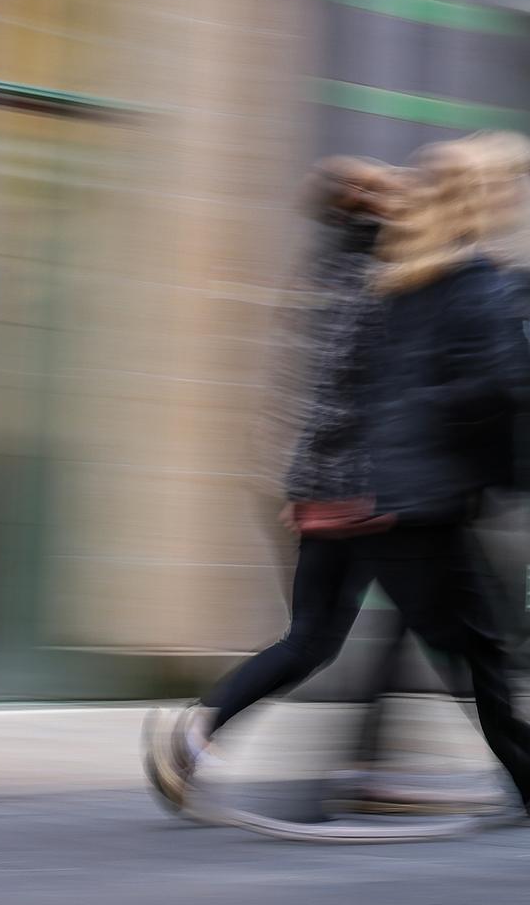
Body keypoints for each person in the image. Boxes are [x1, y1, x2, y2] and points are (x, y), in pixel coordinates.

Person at [151, 136, 530, 822]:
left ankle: (200, 735)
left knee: (316, 637)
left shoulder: (362, 271)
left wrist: (307, 482)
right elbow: (490, 386)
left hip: (338, 490)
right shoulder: (443, 277)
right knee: (478, 645)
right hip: (397, 497)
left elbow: (332, 388)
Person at [144, 158, 411, 815]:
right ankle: (369, 769)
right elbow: (340, 398)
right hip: (354, 494)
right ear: (369, 207)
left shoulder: (328, 271)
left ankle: (202, 736)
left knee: (316, 638)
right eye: (392, 193)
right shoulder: (369, 279)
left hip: (323, 487)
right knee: (443, 623)